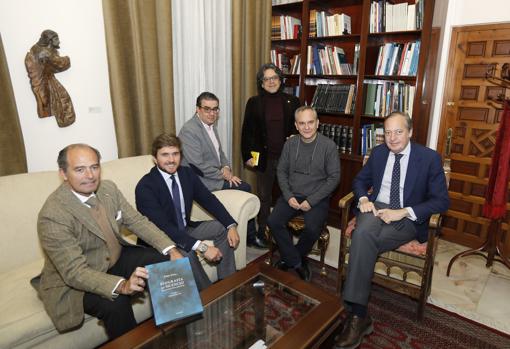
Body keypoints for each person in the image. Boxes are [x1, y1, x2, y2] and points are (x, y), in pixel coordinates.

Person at [37, 144, 183, 340]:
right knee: (116, 302)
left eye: (94, 167)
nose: (90, 175)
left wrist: (171, 249)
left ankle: (177, 332)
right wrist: (122, 285)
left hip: (113, 257)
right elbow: (74, 273)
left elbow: (137, 222)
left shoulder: (108, 189)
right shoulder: (53, 214)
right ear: (63, 173)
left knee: (164, 263)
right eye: (80, 169)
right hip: (79, 278)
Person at [334, 112, 449, 349]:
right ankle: (360, 314)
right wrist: (364, 198)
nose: (392, 138)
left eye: (398, 132)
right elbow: (358, 181)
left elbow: (441, 201)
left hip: (405, 217)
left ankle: (358, 314)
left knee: (362, 238)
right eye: (387, 132)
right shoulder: (378, 153)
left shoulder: (429, 158)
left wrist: (404, 211)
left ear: (410, 132)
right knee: (364, 233)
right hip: (375, 209)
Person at [135, 133, 239, 290]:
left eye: (175, 154)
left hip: (185, 229)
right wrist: (202, 248)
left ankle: (228, 285)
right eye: (165, 155)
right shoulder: (145, 187)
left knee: (222, 227)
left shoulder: (187, 174)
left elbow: (209, 200)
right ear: (155, 158)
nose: (171, 160)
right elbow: (164, 227)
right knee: (188, 254)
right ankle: (209, 296)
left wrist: (231, 225)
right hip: (162, 239)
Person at [179, 92, 264, 249]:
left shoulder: (209, 125)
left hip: (215, 175)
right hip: (201, 181)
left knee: (243, 186)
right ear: (198, 109)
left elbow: (220, 154)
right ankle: (251, 237)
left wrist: (226, 167)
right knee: (245, 188)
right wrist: (222, 175)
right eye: (207, 109)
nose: (212, 113)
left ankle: (249, 235)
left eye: (215, 109)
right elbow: (196, 165)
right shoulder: (189, 130)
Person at [267, 106, 340, 281]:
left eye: (310, 122)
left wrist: (312, 200)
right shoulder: (290, 144)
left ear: (317, 123)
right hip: (291, 194)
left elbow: (334, 178)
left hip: (317, 196)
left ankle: (290, 258)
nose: (306, 127)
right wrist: (288, 195)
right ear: (296, 125)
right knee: (273, 221)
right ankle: (298, 262)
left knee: (313, 227)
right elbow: (281, 171)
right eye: (302, 123)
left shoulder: (328, 146)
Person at [241, 63, 301, 243]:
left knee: (287, 196)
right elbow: (247, 132)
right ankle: (263, 233)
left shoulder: (293, 101)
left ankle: (285, 232)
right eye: (266, 79)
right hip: (264, 158)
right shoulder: (254, 103)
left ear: (280, 80)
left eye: (274, 78)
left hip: (288, 159)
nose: (271, 82)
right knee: (264, 196)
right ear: (261, 83)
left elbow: (300, 128)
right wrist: (248, 156)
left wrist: (295, 138)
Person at [25, 29, 76, 127]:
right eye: (56, 39)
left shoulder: (38, 49)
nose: (59, 41)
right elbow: (61, 64)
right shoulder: (46, 53)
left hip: (45, 79)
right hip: (44, 82)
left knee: (60, 101)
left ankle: (63, 119)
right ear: (49, 41)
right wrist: (67, 58)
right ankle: (64, 121)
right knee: (62, 100)